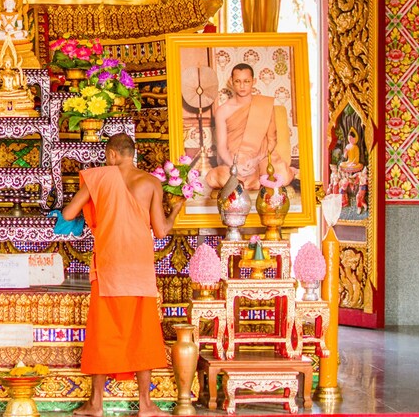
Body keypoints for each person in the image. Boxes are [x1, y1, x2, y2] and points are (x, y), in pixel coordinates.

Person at [60, 134, 184, 417]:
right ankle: (146, 405)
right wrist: (175, 211)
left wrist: (94, 212)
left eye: (107, 156)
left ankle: (96, 404)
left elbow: (68, 213)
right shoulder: (151, 183)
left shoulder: (100, 177)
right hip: (139, 268)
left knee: (104, 334)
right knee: (142, 333)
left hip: (109, 267)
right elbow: (162, 230)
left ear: (113, 154)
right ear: (132, 154)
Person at [205, 63, 292, 191]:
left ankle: (249, 182)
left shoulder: (264, 105)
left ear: (254, 81)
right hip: (236, 159)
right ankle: (257, 182)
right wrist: (235, 166)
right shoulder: (223, 111)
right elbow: (222, 148)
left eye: (246, 81)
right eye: (238, 81)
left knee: (282, 175)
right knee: (215, 177)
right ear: (231, 81)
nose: (242, 86)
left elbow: (272, 141)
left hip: (261, 158)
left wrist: (256, 160)